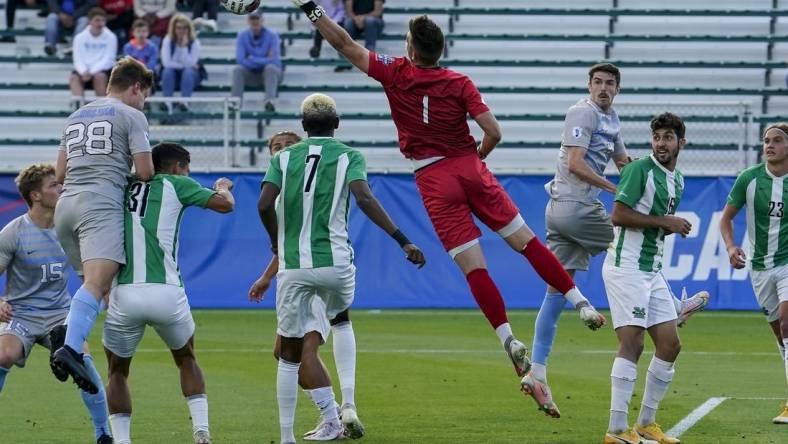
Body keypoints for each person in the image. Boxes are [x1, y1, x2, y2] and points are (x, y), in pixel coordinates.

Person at [290, 2, 594, 401]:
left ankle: (507, 339)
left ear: (413, 51)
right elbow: (494, 131)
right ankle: (581, 302)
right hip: (470, 167)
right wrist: (479, 156)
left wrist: (311, 9)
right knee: (526, 241)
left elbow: (345, 42)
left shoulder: (395, 72)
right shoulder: (460, 82)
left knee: (475, 268)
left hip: (433, 177)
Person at [529, 63, 709, 417]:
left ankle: (537, 371)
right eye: (597, 82)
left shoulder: (612, 120)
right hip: (577, 207)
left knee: (556, 289)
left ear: (618, 88)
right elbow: (576, 164)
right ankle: (672, 306)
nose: (603, 88)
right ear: (589, 85)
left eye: (610, 83)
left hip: (563, 211)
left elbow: (625, 161)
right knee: (630, 246)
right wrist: (618, 189)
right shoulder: (583, 112)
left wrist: (643, 170)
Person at [258, 93, 425, 444]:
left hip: (295, 267)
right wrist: (402, 239)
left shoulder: (283, 159)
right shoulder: (350, 156)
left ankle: (287, 436)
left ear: (303, 128)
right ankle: (346, 403)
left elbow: (263, 204)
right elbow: (364, 198)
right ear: (336, 124)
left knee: (287, 356)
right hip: (336, 262)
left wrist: (277, 241)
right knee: (341, 320)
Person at [103, 143, 234, 444]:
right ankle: (201, 431)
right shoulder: (178, 183)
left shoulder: (122, 185)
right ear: (177, 167)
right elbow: (226, 206)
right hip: (167, 292)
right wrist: (223, 187)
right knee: (186, 358)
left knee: (117, 371)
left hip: (124, 292)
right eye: (186, 167)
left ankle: (122, 440)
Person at [249, 130, 365, 440]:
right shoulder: (281, 188)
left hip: (310, 279)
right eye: (276, 146)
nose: (282, 149)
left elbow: (290, 243)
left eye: (289, 145)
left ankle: (333, 419)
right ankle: (336, 412)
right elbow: (287, 247)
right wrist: (266, 276)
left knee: (301, 351)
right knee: (282, 351)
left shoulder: (296, 188)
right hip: (301, 272)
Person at [51, 56, 155, 395]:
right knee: (98, 285)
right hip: (100, 204)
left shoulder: (75, 116)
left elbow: (60, 175)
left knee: (95, 289)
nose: (144, 103)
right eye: (144, 95)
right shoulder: (131, 115)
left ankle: (72, 341)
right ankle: (68, 343)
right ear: (136, 87)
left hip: (65, 208)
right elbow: (145, 172)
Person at [0, 164, 113, 444]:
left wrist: (108, 293)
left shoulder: (69, 230)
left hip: (60, 314)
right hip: (22, 314)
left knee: (84, 364)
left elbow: (90, 273)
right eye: (53, 185)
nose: (61, 188)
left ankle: (103, 434)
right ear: (36, 195)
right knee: (3, 356)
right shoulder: (13, 233)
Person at [602, 112, 691, 444]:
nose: (661, 143)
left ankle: (646, 424)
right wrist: (665, 222)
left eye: (668, 137)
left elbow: (655, 223)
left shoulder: (677, 180)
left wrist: (667, 225)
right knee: (633, 343)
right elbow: (619, 214)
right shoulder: (638, 170)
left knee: (670, 344)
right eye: (657, 137)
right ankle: (615, 429)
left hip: (651, 270)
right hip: (626, 268)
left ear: (681, 143)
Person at [720, 122, 788, 425]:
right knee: (780, 335)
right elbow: (726, 219)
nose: (769, 145)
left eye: (776, 140)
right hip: (760, 267)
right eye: (766, 140)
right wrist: (732, 246)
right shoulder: (749, 179)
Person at [231, 10, 282, 112]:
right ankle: (235, 103)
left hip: (270, 76)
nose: (255, 21)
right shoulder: (242, 36)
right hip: (252, 74)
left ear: (262, 20)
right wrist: (265, 59)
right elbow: (240, 60)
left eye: (257, 18)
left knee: (270, 68)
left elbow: (275, 60)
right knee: (237, 70)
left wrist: (252, 59)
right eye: (252, 18)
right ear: (248, 20)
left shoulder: (272, 36)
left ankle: (270, 102)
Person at [69, 7, 118, 101]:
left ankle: (103, 109)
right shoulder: (79, 37)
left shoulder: (111, 37)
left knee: (99, 77)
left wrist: (92, 72)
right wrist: (83, 71)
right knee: (73, 78)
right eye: (97, 20)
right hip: (84, 71)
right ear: (90, 21)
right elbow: (77, 59)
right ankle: (79, 110)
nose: (100, 24)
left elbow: (109, 60)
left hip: (102, 71)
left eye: (103, 20)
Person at [160, 14, 201, 113]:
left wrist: (183, 46)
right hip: (172, 75)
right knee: (168, 71)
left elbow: (191, 63)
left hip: (189, 77)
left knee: (188, 72)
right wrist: (185, 65)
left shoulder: (195, 42)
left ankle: (184, 102)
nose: (181, 31)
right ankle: (167, 102)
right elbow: (166, 63)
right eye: (178, 28)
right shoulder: (168, 40)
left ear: (189, 29)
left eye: (184, 28)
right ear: (173, 28)